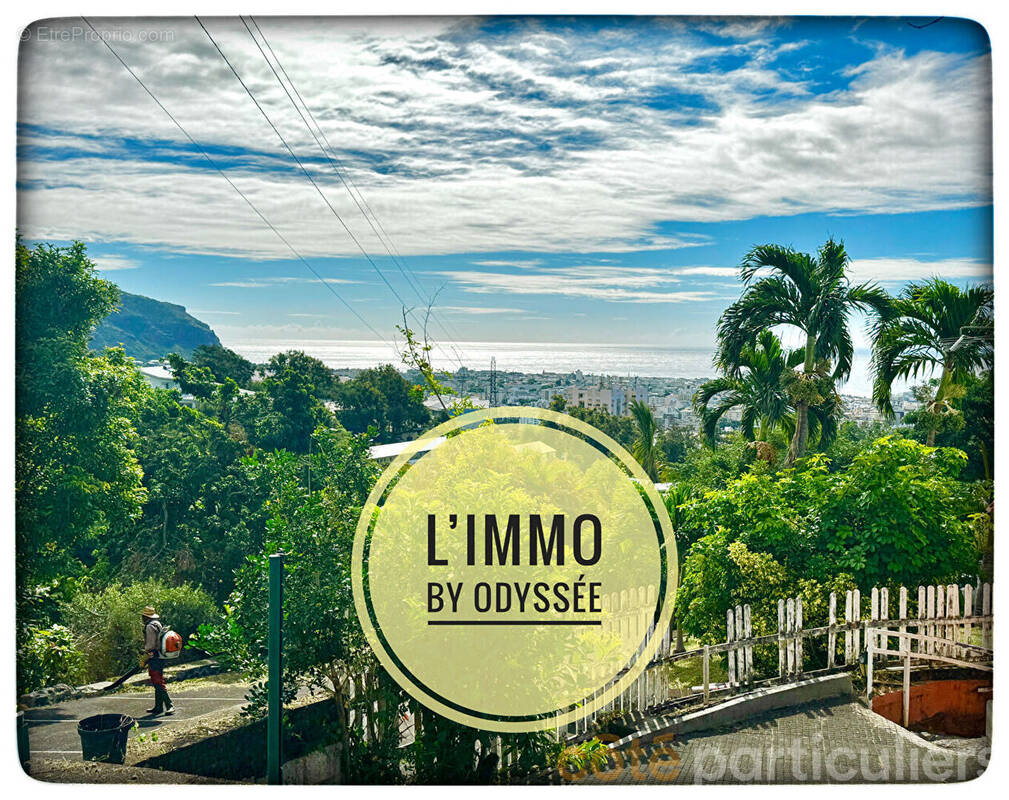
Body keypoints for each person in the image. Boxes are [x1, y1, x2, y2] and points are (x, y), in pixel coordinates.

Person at [141, 606, 174, 716]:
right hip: (160, 655)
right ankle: (158, 707)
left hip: (154, 656)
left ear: (146, 617)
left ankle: (169, 705)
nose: (142, 618)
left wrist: (144, 652)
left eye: (143, 616)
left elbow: (150, 644)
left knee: (157, 681)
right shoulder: (157, 623)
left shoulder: (150, 626)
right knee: (156, 681)